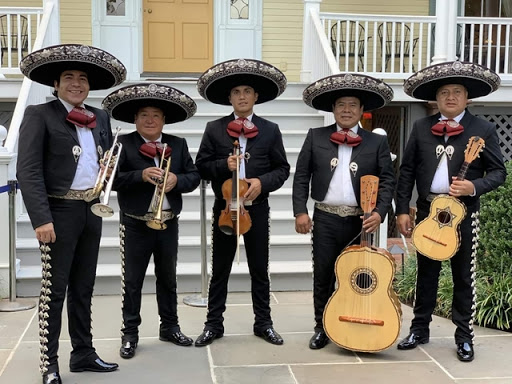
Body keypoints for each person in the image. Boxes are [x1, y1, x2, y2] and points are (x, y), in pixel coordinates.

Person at [17, 44, 126, 384]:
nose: (77, 83)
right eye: (69, 78)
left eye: (82, 78)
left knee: (83, 286)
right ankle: (48, 364)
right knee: (55, 289)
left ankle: (83, 353)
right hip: (58, 211)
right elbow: (28, 171)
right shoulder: (40, 114)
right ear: (56, 83)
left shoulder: (100, 117)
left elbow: (105, 160)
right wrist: (41, 219)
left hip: (90, 209)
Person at [396, 61, 506, 362]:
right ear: (436, 99)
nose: (450, 97)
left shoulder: (482, 129)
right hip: (430, 209)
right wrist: (402, 209)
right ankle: (420, 330)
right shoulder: (420, 127)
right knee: (426, 275)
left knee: (462, 276)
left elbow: (499, 172)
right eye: (444, 92)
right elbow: (406, 172)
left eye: (457, 92)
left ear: (467, 97)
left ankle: (464, 337)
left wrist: (473, 187)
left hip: (464, 213)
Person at [293, 73, 396, 350]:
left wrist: (381, 212)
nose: (347, 110)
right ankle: (322, 327)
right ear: (333, 109)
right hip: (325, 217)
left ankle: (353, 322)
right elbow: (302, 175)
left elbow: (388, 180)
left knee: (358, 274)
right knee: (324, 273)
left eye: (353, 105)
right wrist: (300, 211)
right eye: (341, 105)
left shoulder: (375, 142)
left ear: (362, 110)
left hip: (360, 221)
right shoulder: (316, 136)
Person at [194, 59, 290, 347]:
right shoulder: (214, 128)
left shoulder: (270, 129)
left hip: (256, 208)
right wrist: (224, 164)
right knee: (220, 268)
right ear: (230, 98)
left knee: (259, 267)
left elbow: (282, 169)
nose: (243, 96)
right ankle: (213, 324)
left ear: (256, 96)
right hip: (225, 208)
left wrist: (262, 183)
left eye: (248, 91)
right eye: (237, 92)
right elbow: (201, 166)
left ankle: (263, 323)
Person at [102, 83, 200, 358]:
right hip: (135, 223)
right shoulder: (123, 144)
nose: (149, 120)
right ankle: (130, 334)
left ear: (163, 120)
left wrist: (176, 179)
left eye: (155, 115)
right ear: (135, 119)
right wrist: (140, 175)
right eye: (143, 114)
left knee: (168, 278)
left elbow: (193, 177)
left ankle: (170, 327)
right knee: (132, 281)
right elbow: (111, 180)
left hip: (168, 222)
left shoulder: (177, 145)